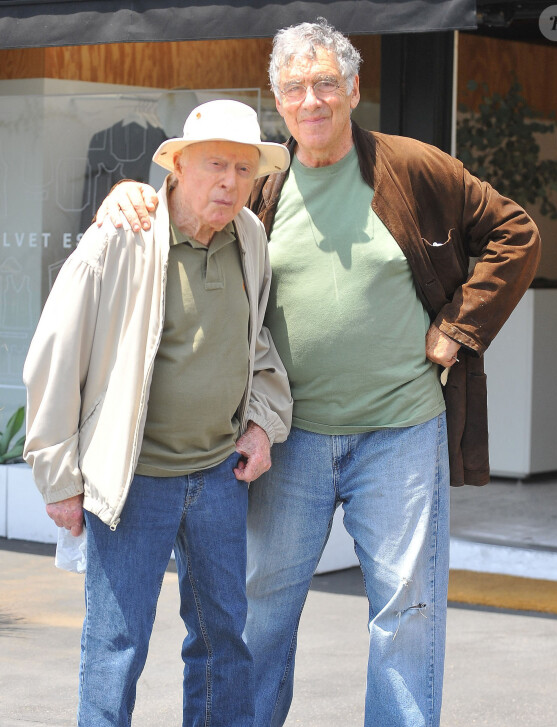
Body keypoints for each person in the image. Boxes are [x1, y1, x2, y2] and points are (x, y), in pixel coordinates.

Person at [95, 18, 541, 727]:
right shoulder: (258, 187)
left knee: (407, 611)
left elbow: (517, 232)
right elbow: (190, 204)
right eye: (296, 87)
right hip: (290, 435)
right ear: (278, 97)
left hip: (400, 432)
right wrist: (130, 191)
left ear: (354, 89)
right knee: (261, 611)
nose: (312, 101)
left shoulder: (413, 168)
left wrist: (458, 329)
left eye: (326, 83)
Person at [23, 99, 292, 727]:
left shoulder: (249, 236)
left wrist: (262, 423)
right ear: (176, 167)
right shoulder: (121, 233)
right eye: (216, 164)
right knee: (117, 648)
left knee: (224, 643)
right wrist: (58, 477)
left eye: (244, 169)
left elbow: (256, 346)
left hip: (219, 478)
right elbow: (56, 356)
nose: (230, 182)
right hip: (135, 481)